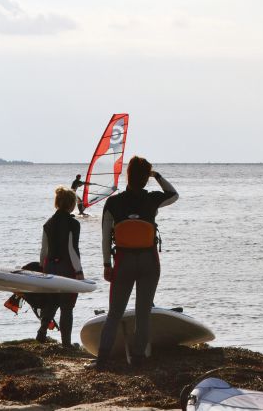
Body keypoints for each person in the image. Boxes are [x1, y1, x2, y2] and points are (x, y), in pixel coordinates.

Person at [92, 156, 178, 369]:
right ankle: (138, 360)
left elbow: (105, 237)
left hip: (123, 262)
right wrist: (157, 175)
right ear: (146, 178)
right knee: (143, 313)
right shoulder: (152, 199)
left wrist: (106, 264)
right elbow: (174, 194)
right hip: (149, 261)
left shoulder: (113, 202)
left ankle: (102, 360)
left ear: (127, 175)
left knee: (114, 313)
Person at [37, 186, 84, 347]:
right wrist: (79, 271)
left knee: (51, 301)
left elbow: (44, 251)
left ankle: (42, 331)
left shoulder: (48, 223)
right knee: (67, 306)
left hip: (50, 266)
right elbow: (72, 249)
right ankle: (66, 344)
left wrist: (43, 269)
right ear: (71, 204)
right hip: (66, 267)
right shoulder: (73, 224)